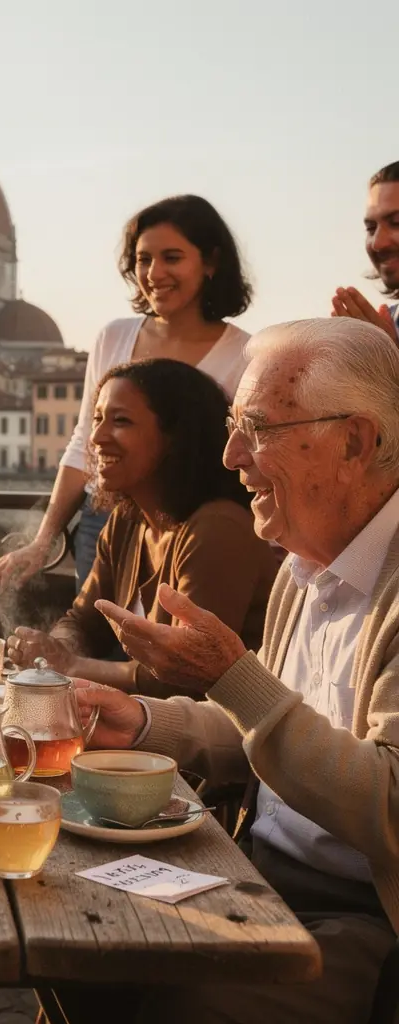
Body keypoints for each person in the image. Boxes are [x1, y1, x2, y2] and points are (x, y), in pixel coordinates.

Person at [75, 318, 399, 1024]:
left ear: (356, 441)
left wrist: (231, 676)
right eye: (231, 427)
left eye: (257, 428)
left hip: (363, 923)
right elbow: (272, 730)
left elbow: (389, 804)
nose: (230, 455)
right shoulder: (304, 565)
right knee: (75, 929)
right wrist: (146, 722)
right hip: (253, 874)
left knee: (176, 1003)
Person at [0, 194, 253, 594]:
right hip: (105, 521)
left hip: (194, 532)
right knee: (90, 637)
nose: (154, 272)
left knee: (164, 649)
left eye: (172, 257)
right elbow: (84, 445)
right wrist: (43, 541)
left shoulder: (245, 353)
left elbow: (242, 459)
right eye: (143, 259)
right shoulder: (113, 337)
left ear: (211, 262)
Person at [6, 359, 276, 699]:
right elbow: (82, 619)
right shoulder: (127, 521)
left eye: (120, 421)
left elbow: (186, 675)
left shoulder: (217, 529)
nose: (97, 437)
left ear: (175, 437)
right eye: (97, 419)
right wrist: (56, 649)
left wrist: (70, 666)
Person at [331, 160, 399, 344]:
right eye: (371, 228)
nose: (378, 243)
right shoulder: (386, 324)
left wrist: (387, 358)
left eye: (396, 223)